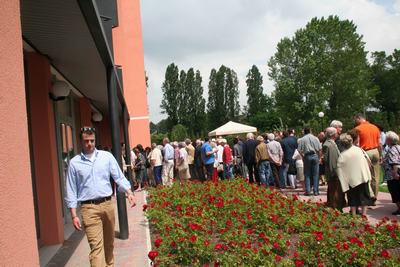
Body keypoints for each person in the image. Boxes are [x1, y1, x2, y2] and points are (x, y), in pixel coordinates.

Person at [65, 127, 136, 267]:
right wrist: (73, 215)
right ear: (81, 141)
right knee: (96, 249)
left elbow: (118, 176)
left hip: (107, 205)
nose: (89, 144)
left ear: (95, 140)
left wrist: (129, 192)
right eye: (86, 141)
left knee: (109, 245)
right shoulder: (74, 163)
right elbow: (71, 189)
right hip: (88, 208)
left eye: (92, 140)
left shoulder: (106, 157)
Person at [337, 133, 373, 217]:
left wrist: (343, 186)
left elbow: (340, 172)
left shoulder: (342, 156)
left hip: (351, 180)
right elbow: (368, 161)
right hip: (363, 176)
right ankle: (364, 215)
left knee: (352, 198)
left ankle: (353, 215)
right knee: (364, 197)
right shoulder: (359, 150)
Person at [354, 113, 381, 205]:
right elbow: (379, 143)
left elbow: (356, 144)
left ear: (359, 118)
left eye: (355, 119)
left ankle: (370, 195)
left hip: (365, 152)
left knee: (365, 175)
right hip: (375, 151)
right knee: (375, 176)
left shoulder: (358, 129)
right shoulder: (375, 127)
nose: (355, 122)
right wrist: (380, 155)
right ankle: (375, 198)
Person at [323, 127, 346, 211]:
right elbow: (331, 161)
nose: (337, 134)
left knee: (335, 191)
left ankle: (336, 207)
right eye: (336, 133)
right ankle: (335, 208)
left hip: (334, 172)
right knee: (335, 191)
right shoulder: (329, 145)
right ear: (333, 134)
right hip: (334, 173)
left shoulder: (331, 143)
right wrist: (335, 173)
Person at [298, 127, 322, 196]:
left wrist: (302, 156)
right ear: (310, 131)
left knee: (307, 174)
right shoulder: (315, 138)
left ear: (304, 131)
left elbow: (299, 150)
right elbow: (320, 149)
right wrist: (319, 157)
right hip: (315, 155)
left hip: (307, 156)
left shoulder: (302, 139)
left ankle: (308, 190)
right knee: (315, 174)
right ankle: (316, 191)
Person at [382, 131, 400, 216]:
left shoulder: (392, 149)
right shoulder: (398, 147)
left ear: (389, 139)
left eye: (386, 138)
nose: (385, 140)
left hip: (393, 175)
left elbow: (395, 162)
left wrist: (395, 173)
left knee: (395, 192)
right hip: (394, 174)